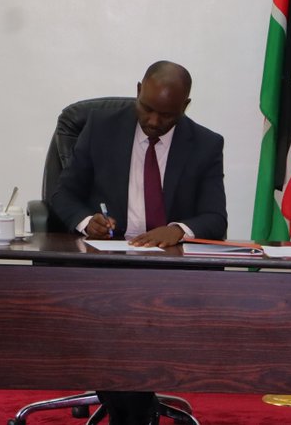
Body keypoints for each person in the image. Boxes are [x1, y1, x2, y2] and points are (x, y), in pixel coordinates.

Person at [50, 60, 227, 424]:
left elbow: (216, 218)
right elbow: (63, 194)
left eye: (167, 115)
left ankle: (130, 410)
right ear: (137, 91)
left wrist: (176, 229)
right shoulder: (100, 127)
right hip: (105, 261)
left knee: (133, 315)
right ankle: (135, 411)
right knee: (112, 309)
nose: (154, 121)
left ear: (185, 107)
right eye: (147, 108)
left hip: (166, 267)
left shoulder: (206, 144)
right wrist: (86, 221)